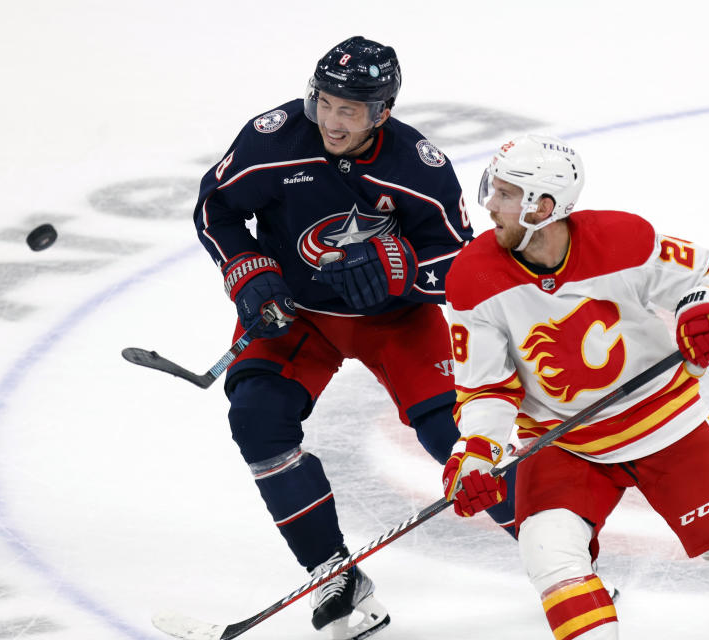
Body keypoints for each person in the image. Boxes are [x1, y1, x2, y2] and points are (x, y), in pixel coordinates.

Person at [441, 134, 709, 640]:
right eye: (493, 189)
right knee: (550, 556)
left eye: (506, 194)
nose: (490, 205)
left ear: (544, 206)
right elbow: (486, 387)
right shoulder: (472, 277)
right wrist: (476, 454)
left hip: (666, 423)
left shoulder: (621, 239)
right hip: (565, 440)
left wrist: (702, 308)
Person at [192, 36, 516, 640]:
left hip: (395, 320)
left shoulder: (419, 169)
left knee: (457, 433)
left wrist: (399, 268)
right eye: (325, 102)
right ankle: (335, 574)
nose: (332, 122)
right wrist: (250, 272)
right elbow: (216, 209)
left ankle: (564, 557)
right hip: (298, 316)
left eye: (350, 110)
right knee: (258, 421)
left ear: (382, 113)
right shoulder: (272, 139)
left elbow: (463, 267)